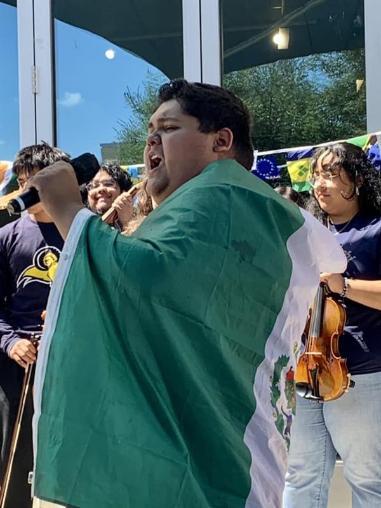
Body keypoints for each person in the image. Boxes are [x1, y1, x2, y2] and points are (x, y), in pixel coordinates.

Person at [30, 80, 345, 508]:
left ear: (221, 141)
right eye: (149, 132)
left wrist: (69, 209)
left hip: (212, 473)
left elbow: (141, 280)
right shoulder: (201, 213)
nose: (152, 141)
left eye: (169, 127)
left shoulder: (227, 200)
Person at [283, 142, 381, 508]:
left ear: (355, 179)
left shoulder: (374, 230)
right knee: (301, 473)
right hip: (308, 370)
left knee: (367, 478)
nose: (320, 184)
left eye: (329, 173)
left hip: (362, 373)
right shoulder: (305, 233)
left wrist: (346, 285)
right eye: (316, 175)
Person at [0, 143, 69, 508]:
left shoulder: (82, 229)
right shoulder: (7, 234)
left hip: (70, 357)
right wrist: (10, 340)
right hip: (19, 359)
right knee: (14, 447)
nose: (33, 192)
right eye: (27, 183)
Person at [85, 162, 132, 229]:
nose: (101, 189)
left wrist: (127, 223)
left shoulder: (142, 221)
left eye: (108, 184)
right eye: (94, 186)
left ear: (123, 192)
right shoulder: (80, 228)